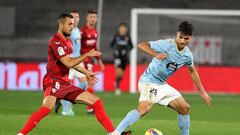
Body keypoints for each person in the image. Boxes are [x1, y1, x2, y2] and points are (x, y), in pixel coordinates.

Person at [17, 13, 125, 135]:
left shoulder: (68, 42)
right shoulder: (55, 41)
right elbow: (68, 63)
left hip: (65, 83)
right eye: (69, 24)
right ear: (61, 24)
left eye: (73, 24)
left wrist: (86, 72)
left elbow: (73, 62)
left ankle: (112, 133)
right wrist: (86, 55)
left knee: (96, 101)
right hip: (53, 81)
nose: (72, 27)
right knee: (46, 108)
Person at [113, 21, 212, 135]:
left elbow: (192, 71)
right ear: (177, 34)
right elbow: (142, 45)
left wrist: (202, 91)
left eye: (186, 39)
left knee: (184, 108)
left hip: (161, 84)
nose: (182, 41)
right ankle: (115, 133)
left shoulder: (187, 55)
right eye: (181, 37)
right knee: (144, 108)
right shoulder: (166, 44)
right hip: (149, 81)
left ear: (191, 38)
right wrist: (156, 54)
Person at [80, 10, 105, 113]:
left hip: (90, 61)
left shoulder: (95, 32)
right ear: (87, 18)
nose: (93, 19)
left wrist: (100, 61)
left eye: (95, 17)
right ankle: (90, 107)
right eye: (91, 17)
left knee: (90, 83)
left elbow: (95, 47)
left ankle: (89, 108)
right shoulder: (82, 32)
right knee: (89, 82)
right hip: (81, 60)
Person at [110, 23, 133, 95]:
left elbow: (131, 46)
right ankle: (117, 88)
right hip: (117, 57)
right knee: (118, 71)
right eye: (121, 28)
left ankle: (117, 82)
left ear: (126, 29)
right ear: (119, 29)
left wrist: (126, 50)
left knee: (121, 75)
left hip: (124, 57)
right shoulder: (116, 37)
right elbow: (111, 45)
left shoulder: (127, 37)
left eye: (124, 28)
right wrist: (116, 50)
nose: (123, 30)